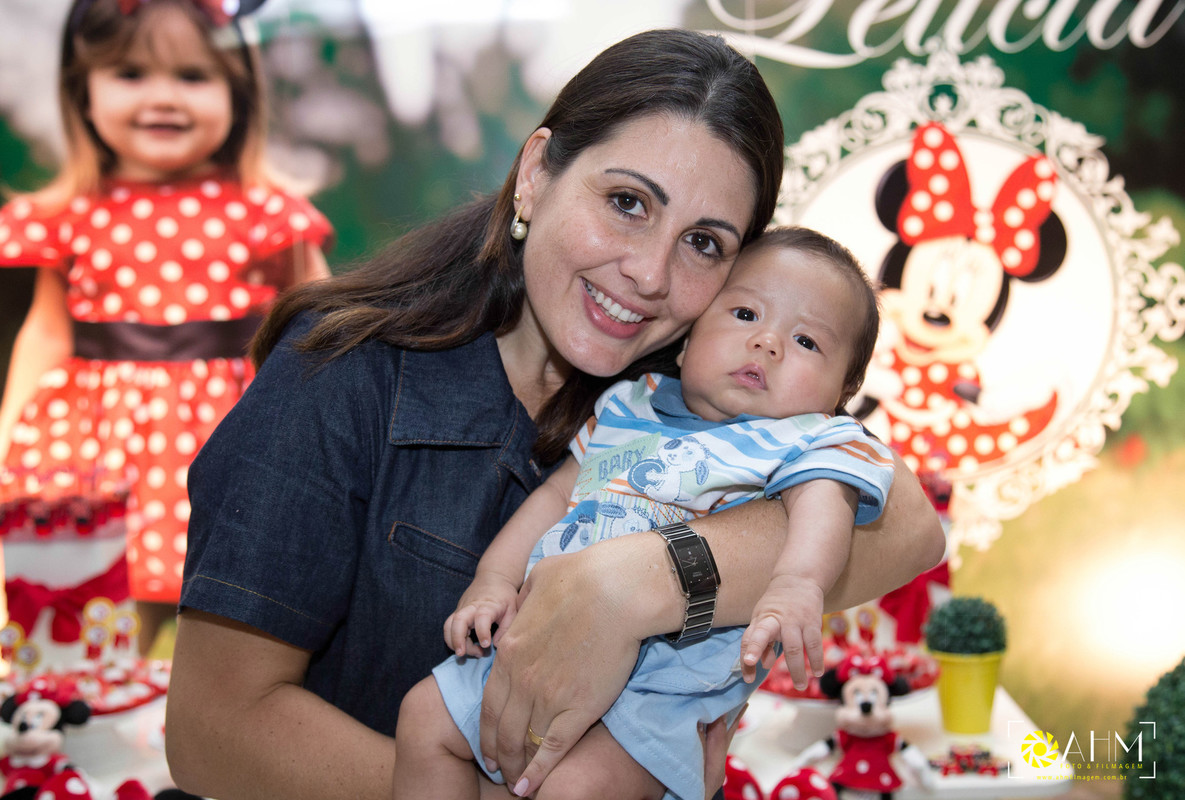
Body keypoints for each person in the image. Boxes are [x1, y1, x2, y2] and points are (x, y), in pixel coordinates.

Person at [165, 28, 946, 800]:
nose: (647, 274)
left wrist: (636, 584)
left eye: (703, 243)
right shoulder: (339, 373)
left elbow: (906, 522)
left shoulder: (692, 386)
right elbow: (213, 730)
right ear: (536, 174)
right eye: (626, 202)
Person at [394, 226, 894, 800]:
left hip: (663, 689)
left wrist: (797, 584)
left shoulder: (812, 439)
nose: (769, 343)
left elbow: (825, 506)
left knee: (574, 788)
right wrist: (494, 581)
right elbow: (557, 496)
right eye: (745, 313)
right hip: (540, 636)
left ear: (843, 392)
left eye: (807, 342)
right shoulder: (626, 404)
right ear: (689, 336)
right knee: (424, 718)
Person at [0, 0, 333, 655]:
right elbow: (48, 330)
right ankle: (95, 723)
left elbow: (318, 325)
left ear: (238, 94)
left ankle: (201, 735)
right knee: (96, 610)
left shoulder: (265, 212)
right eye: (129, 74)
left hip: (222, 431)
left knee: (225, 614)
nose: (162, 98)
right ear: (83, 91)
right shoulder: (73, 213)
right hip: (96, 439)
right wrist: (10, 427)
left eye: (191, 76)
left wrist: (314, 434)